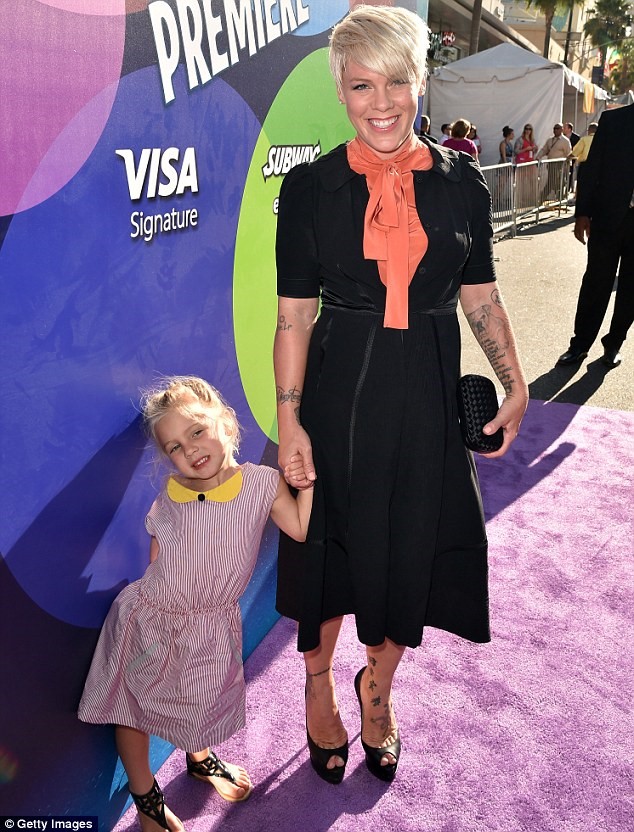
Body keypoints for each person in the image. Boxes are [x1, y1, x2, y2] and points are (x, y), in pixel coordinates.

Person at [273, 5, 528, 787]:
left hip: (427, 401)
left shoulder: (463, 184)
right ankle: (319, 685)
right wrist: (289, 419)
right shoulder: (311, 188)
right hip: (337, 402)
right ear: (340, 91)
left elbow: (479, 294)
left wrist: (516, 382)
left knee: (412, 552)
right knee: (327, 556)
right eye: (361, 85)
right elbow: (294, 316)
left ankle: (376, 690)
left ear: (421, 82)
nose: (380, 102)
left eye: (395, 82)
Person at [78, 376, 313, 832]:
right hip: (151, 620)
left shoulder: (263, 483)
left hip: (210, 624)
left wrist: (308, 480)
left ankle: (199, 758)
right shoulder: (170, 494)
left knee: (201, 701)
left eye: (197, 431)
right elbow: (158, 558)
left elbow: (301, 528)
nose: (190, 449)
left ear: (225, 422)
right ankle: (146, 798)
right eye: (175, 447)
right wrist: (165, 611)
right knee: (133, 708)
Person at [557, 104, 634, 369]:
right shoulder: (614, 120)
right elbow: (592, 169)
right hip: (607, 219)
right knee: (595, 283)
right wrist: (582, 213)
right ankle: (579, 345)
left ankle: (614, 344)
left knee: (630, 290)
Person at [568, 122, 598, 199]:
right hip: (598, 164)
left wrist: (568, 157)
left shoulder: (584, 139)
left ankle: (579, 197)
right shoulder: (601, 140)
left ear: (589, 130)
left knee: (582, 181)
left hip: (586, 164)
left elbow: (575, 152)